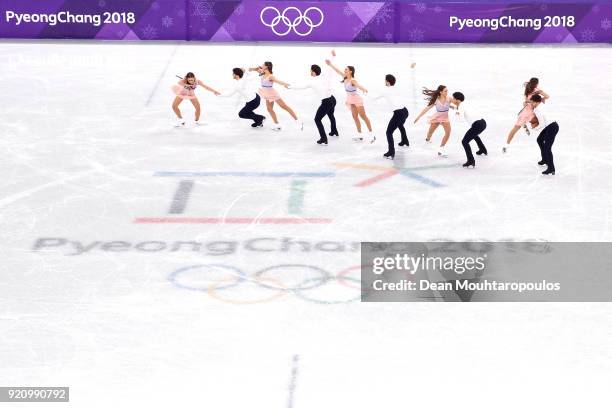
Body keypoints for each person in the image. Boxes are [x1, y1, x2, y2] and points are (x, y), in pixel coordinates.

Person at [290, 51, 338, 145]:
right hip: (332, 99)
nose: (310, 72)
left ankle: (324, 138)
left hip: (326, 102)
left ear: (313, 72)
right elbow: (329, 67)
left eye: (311, 70)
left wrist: (289, 86)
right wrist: (332, 56)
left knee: (317, 119)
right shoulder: (324, 76)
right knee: (331, 115)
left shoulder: (312, 82)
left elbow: (300, 87)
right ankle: (334, 131)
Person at [325, 55, 375, 143]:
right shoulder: (345, 77)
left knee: (363, 116)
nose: (345, 70)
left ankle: (372, 134)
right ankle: (360, 135)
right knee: (355, 117)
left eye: (346, 69)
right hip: (350, 100)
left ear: (350, 71)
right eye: (345, 69)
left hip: (357, 100)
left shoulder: (352, 80)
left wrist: (363, 89)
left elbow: (358, 85)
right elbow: (337, 71)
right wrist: (330, 64)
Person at [248, 61, 302, 131]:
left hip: (272, 93)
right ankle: (277, 125)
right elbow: (256, 69)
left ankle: (298, 121)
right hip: (266, 93)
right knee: (269, 109)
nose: (262, 65)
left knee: (284, 107)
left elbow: (278, 81)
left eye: (263, 65)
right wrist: (253, 69)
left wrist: (285, 84)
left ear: (266, 67)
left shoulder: (271, 76)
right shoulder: (262, 73)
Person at [503, 77, 549, 153]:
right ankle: (524, 124)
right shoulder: (537, 90)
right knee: (537, 123)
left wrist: (528, 101)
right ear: (537, 84)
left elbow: (526, 100)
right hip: (529, 112)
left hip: (525, 110)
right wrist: (541, 99)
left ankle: (507, 144)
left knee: (516, 127)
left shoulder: (527, 87)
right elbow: (547, 96)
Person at [369, 74, 409, 159]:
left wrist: (364, 92)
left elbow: (373, 97)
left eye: (385, 80)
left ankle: (391, 152)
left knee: (389, 132)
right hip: (405, 111)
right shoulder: (396, 88)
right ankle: (405, 140)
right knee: (400, 124)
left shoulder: (385, 90)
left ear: (387, 82)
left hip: (398, 113)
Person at [413, 85, 454, 157]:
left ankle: (441, 149)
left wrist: (455, 108)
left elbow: (455, 105)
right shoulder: (436, 100)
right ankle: (427, 139)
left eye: (447, 90)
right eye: (445, 91)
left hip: (445, 118)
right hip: (437, 118)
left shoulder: (449, 98)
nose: (447, 92)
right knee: (430, 132)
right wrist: (418, 117)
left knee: (448, 133)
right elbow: (427, 108)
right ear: (441, 92)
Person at [450, 92, 487, 168]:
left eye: (453, 98)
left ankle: (471, 161)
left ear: (457, 100)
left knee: (464, 141)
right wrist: (455, 108)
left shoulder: (460, 107)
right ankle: (482, 149)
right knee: (474, 135)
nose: (452, 99)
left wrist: (456, 112)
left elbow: (460, 120)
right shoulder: (464, 104)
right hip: (483, 122)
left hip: (477, 125)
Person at [529, 94, 559, 175]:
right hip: (551, 125)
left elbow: (541, 124)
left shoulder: (538, 110)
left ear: (536, 102)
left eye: (532, 102)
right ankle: (545, 159)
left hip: (552, 127)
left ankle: (551, 168)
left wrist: (534, 128)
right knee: (540, 140)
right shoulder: (541, 104)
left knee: (547, 148)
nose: (531, 103)